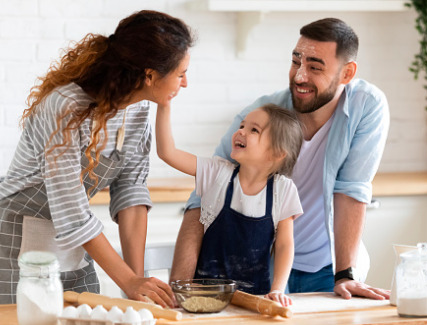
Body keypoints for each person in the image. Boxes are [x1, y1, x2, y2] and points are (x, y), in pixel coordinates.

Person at [170, 17, 391, 300]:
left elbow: (351, 189)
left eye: (315, 67)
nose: (299, 76)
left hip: (330, 266)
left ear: (347, 74)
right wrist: (180, 286)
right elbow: (205, 196)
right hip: (267, 268)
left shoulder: (367, 107)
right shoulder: (260, 117)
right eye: (296, 61)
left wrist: (345, 274)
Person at [0, 10, 193, 307]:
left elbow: (130, 191)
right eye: (181, 74)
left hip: (76, 245)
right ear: (150, 75)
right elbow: (72, 211)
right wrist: (128, 280)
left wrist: (137, 283)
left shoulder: (138, 108)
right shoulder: (65, 106)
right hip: (16, 247)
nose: (185, 83)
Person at [156, 101, 303, 306]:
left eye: (254, 130)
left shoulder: (284, 190)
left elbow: (285, 245)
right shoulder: (217, 174)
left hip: (253, 301)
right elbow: (167, 153)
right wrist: (164, 106)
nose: (240, 132)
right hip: (205, 299)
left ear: (277, 153)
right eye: (242, 126)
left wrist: (277, 288)